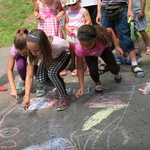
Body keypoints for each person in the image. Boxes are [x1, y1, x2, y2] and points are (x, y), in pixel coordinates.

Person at [21, 29, 75, 111]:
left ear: (44, 46)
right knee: (40, 78)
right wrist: (27, 96)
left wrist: (73, 64)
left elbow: (72, 46)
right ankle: (59, 85)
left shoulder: (57, 44)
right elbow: (29, 76)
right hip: (48, 57)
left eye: (36, 50)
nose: (32, 53)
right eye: (30, 50)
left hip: (63, 54)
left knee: (52, 73)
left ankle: (64, 97)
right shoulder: (33, 53)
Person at [96, 0, 145, 78]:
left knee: (125, 35)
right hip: (105, 9)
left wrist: (129, 9)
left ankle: (134, 63)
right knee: (105, 37)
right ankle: (105, 63)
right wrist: (98, 12)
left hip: (121, 8)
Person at [75, 25, 124, 97]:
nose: (85, 47)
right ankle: (97, 83)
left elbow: (111, 30)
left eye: (89, 45)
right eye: (83, 45)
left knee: (114, 68)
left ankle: (116, 73)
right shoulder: (80, 49)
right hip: (89, 55)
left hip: (103, 50)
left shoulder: (101, 35)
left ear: (95, 40)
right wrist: (81, 86)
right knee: (93, 71)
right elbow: (80, 68)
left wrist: (117, 46)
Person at [7, 28, 44, 100]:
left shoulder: (32, 47)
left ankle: (39, 80)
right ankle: (23, 80)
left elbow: (30, 71)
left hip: (31, 57)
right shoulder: (14, 49)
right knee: (20, 65)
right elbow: (9, 69)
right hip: (25, 54)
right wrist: (12, 88)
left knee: (32, 66)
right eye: (19, 52)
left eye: (24, 53)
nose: (22, 54)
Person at [65, 0, 91, 76]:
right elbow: (66, 23)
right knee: (75, 51)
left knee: (84, 50)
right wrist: (68, 29)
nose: (72, 6)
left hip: (80, 35)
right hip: (71, 35)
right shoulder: (67, 12)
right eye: (69, 5)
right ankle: (77, 66)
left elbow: (88, 21)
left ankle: (88, 65)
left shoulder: (83, 10)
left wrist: (82, 26)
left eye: (73, 4)